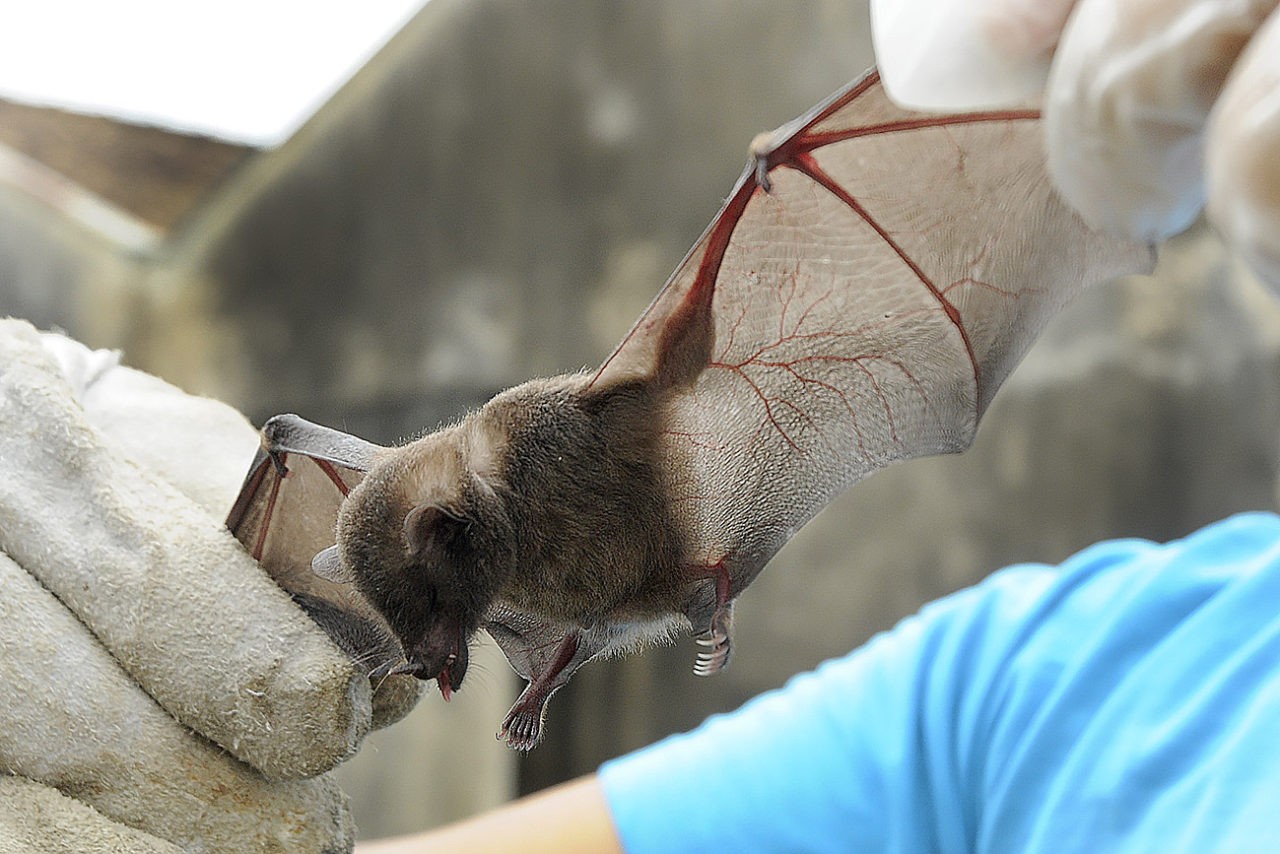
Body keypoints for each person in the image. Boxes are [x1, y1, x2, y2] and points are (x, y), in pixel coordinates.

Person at [1, 1, 1275, 851]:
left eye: (442, 618)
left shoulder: (600, 421)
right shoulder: (1030, 694)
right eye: (444, 632)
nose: (449, 652)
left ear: (456, 520)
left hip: (673, 540)